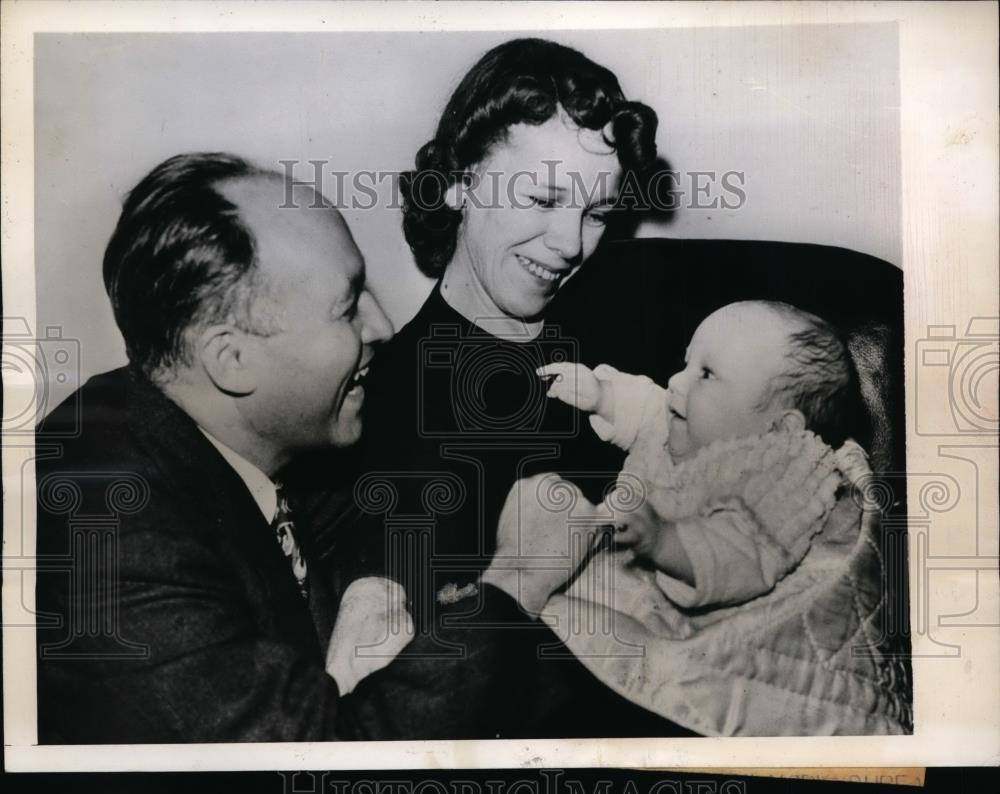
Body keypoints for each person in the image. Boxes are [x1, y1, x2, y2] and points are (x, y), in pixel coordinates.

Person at [34, 152, 604, 743]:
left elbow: (379, 511)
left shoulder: (240, 431)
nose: (380, 326)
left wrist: (372, 592)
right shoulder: (108, 531)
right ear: (233, 360)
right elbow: (325, 767)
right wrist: (516, 583)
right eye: (347, 306)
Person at [331, 37, 685, 736]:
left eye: (595, 213)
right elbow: (449, 672)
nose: (569, 244)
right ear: (459, 182)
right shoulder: (395, 398)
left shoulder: (631, 343)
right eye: (544, 197)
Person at [537, 300, 913, 735]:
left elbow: (739, 556)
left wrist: (662, 541)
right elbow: (649, 409)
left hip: (746, 642)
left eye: (706, 374)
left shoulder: (783, 487)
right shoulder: (701, 421)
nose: (677, 380)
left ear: (778, 431)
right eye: (686, 363)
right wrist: (602, 395)